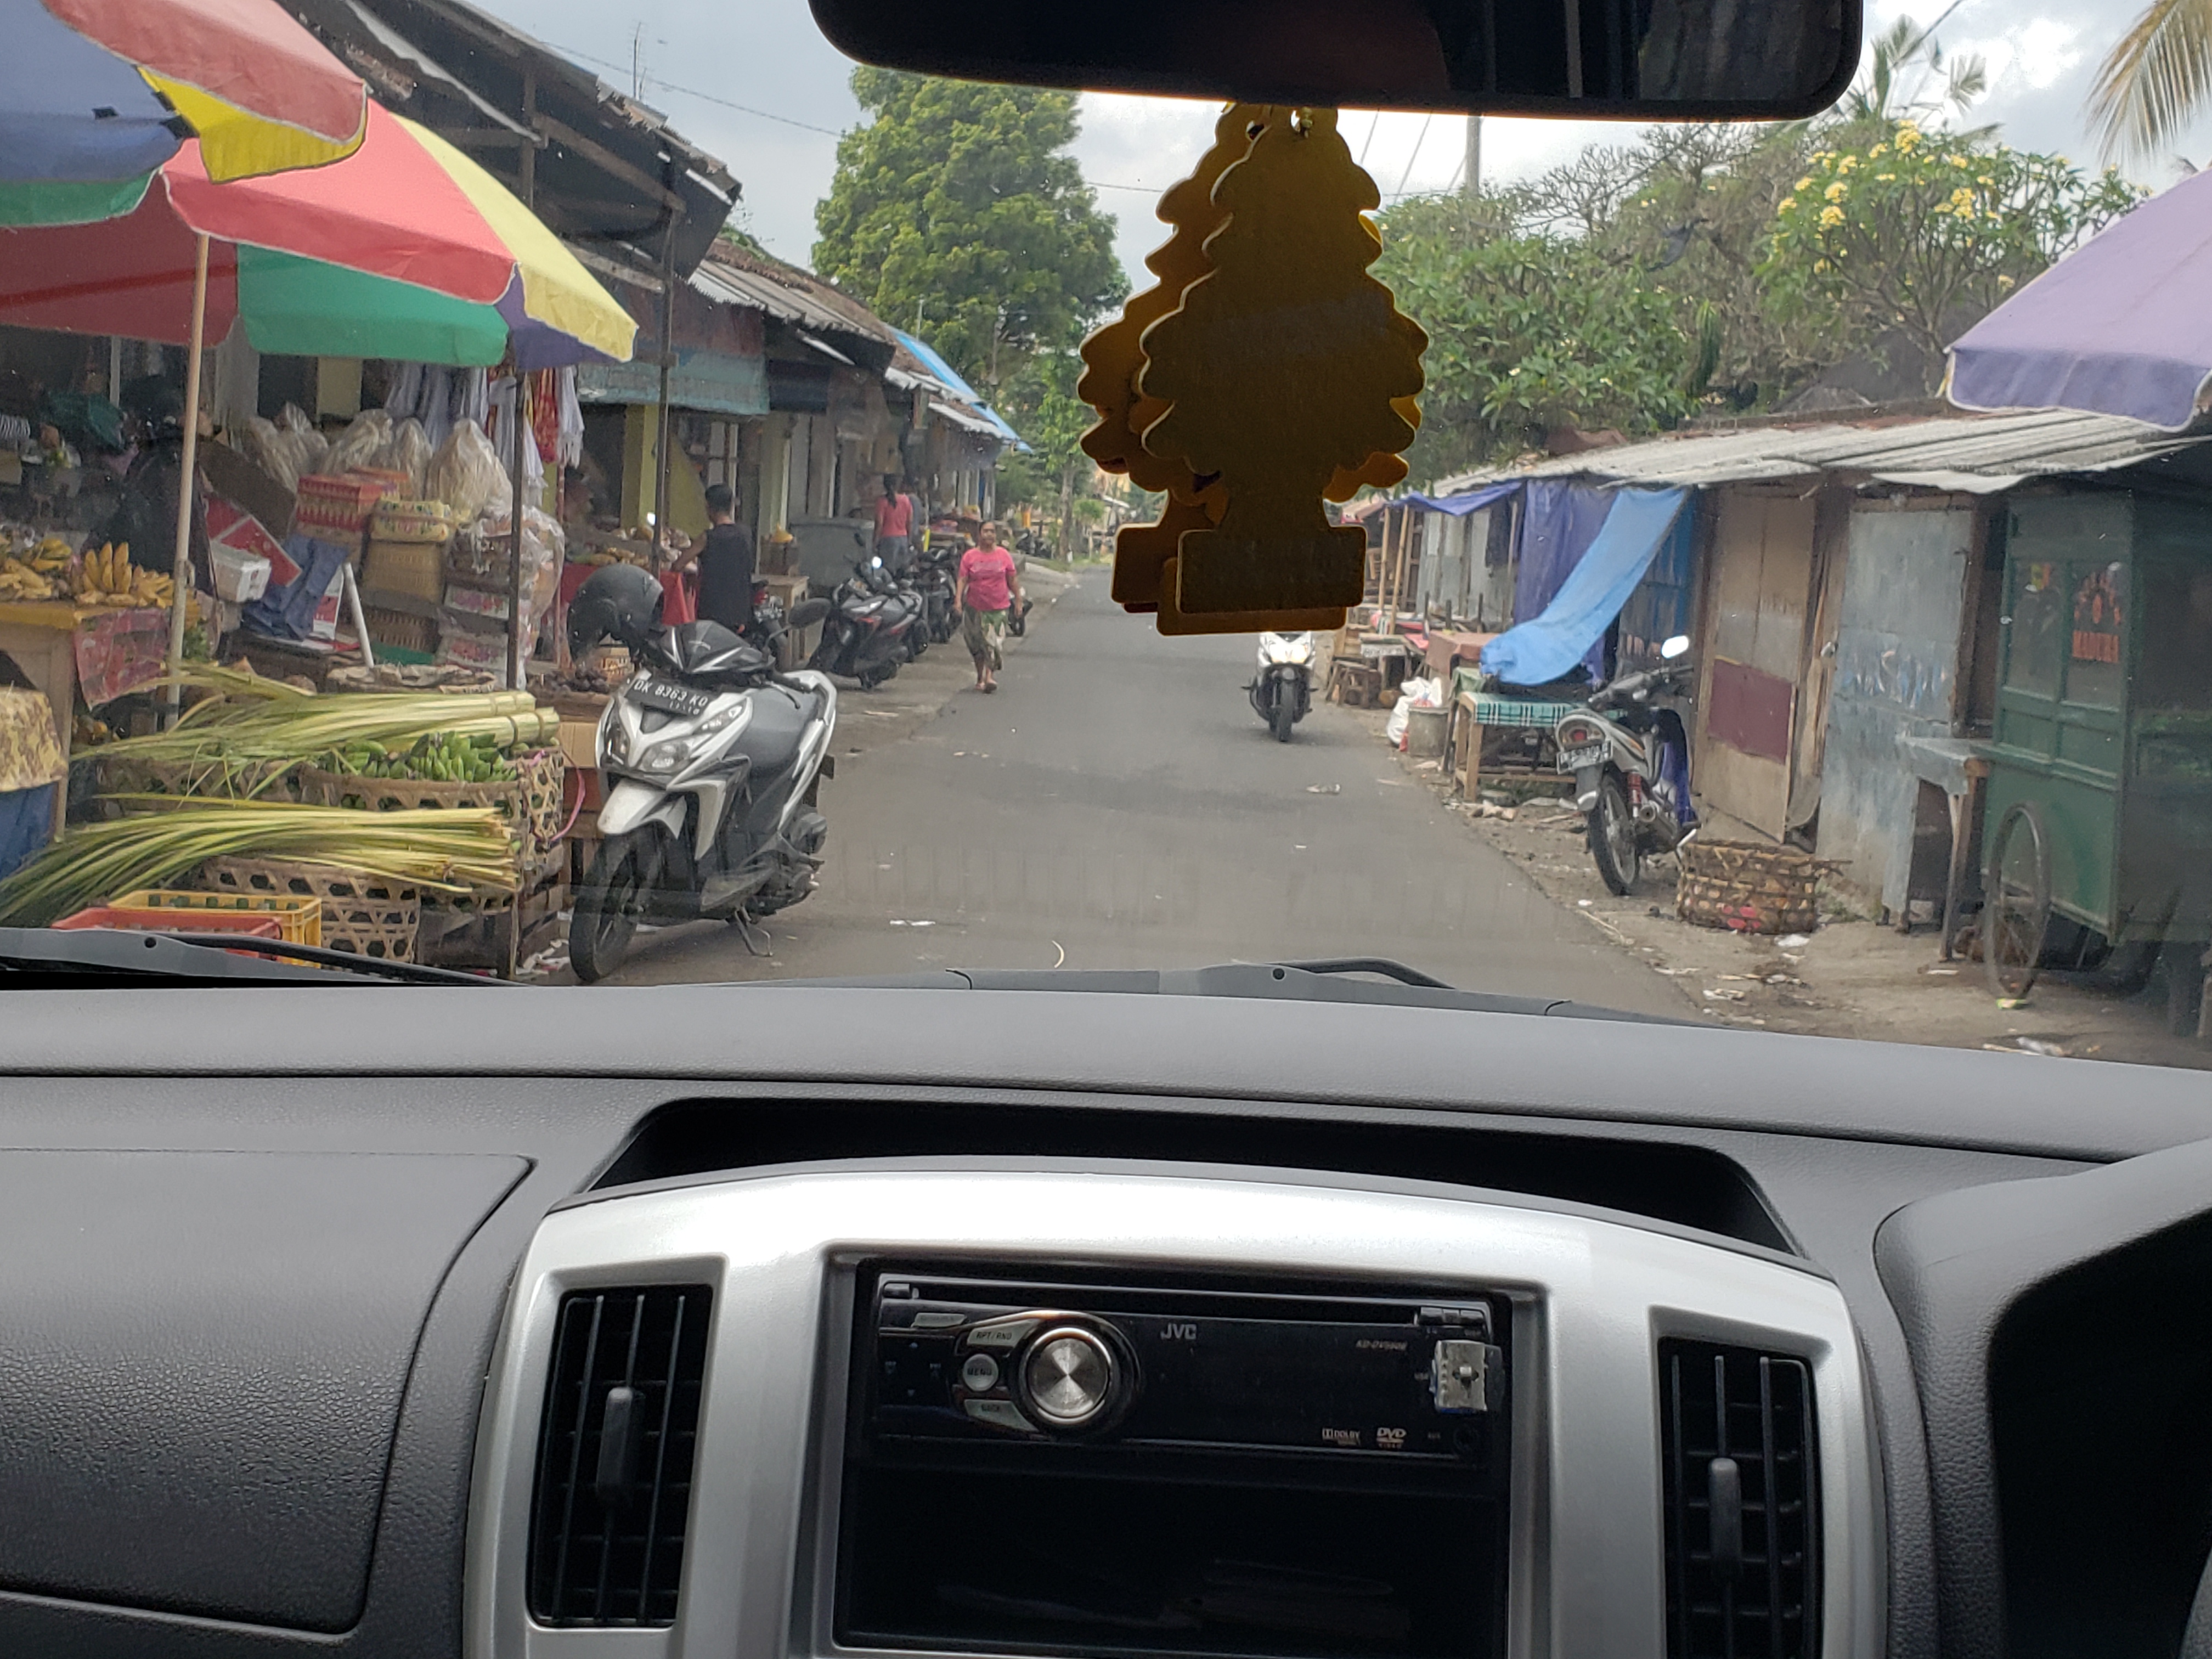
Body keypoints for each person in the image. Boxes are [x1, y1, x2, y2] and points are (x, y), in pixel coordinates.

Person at [671, 484, 755, 634]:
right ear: (730, 507)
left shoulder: (708, 537)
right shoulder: (746, 534)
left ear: (709, 508)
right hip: (740, 613)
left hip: (713, 613)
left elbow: (678, 565)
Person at [955, 521, 1023, 694]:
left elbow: (1012, 579)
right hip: (975, 607)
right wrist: (958, 601)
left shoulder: (1003, 556)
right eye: (986, 531)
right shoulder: (970, 557)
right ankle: (980, 676)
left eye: (992, 532)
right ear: (979, 534)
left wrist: (1019, 600)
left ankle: (989, 676)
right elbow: (963, 579)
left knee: (993, 644)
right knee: (976, 644)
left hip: (998, 607)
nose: (989, 535)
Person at [874, 474, 915, 573]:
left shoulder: (882, 502)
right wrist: (909, 541)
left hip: (888, 540)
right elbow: (910, 522)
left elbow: (879, 524)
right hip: (903, 539)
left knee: (888, 571)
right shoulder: (906, 500)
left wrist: (875, 542)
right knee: (901, 571)